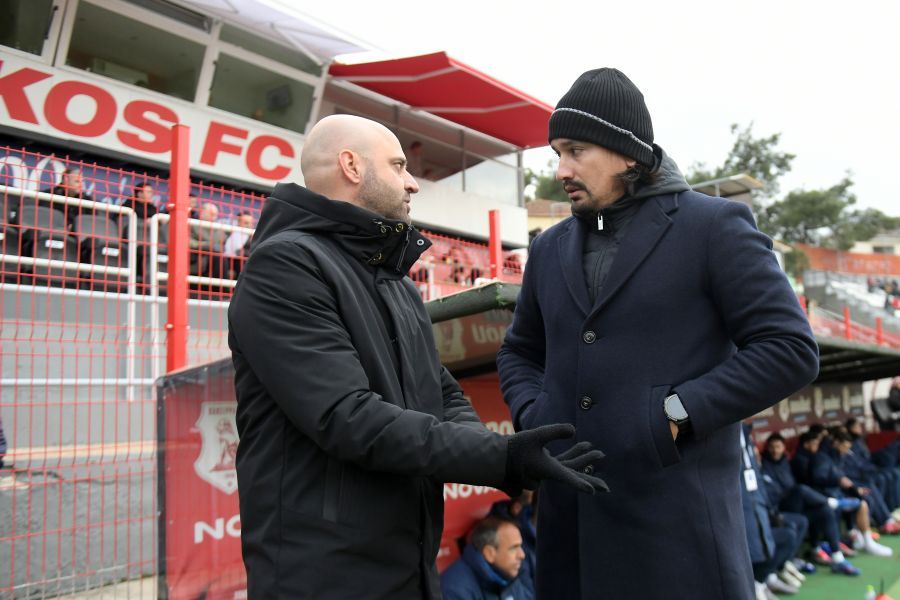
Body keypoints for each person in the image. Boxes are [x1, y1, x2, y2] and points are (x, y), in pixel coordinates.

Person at [227, 114, 608, 599]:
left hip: (408, 563)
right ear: (351, 166)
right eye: (398, 165)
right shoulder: (284, 265)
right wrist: (503, 459)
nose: (412, 183)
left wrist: (510, 458)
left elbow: (441, 392)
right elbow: (349, 417)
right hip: (325, 576)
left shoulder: (396, 282)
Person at [495, 67, 819, 599]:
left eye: (576, 151)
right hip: (568, 539)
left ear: (628, 153)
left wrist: (675, 413)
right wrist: (535, 416)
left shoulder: (714, 226)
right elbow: (519, 353)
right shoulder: (548, 247)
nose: (561, 169)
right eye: (557, 152)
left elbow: (789, 349)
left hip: (677, 537)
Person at [440, 516, 532, 600]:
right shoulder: (455, 588)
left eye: (520, 546)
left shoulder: (512, 572)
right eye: (513, 548)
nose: (522, 555)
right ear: (489, 554)